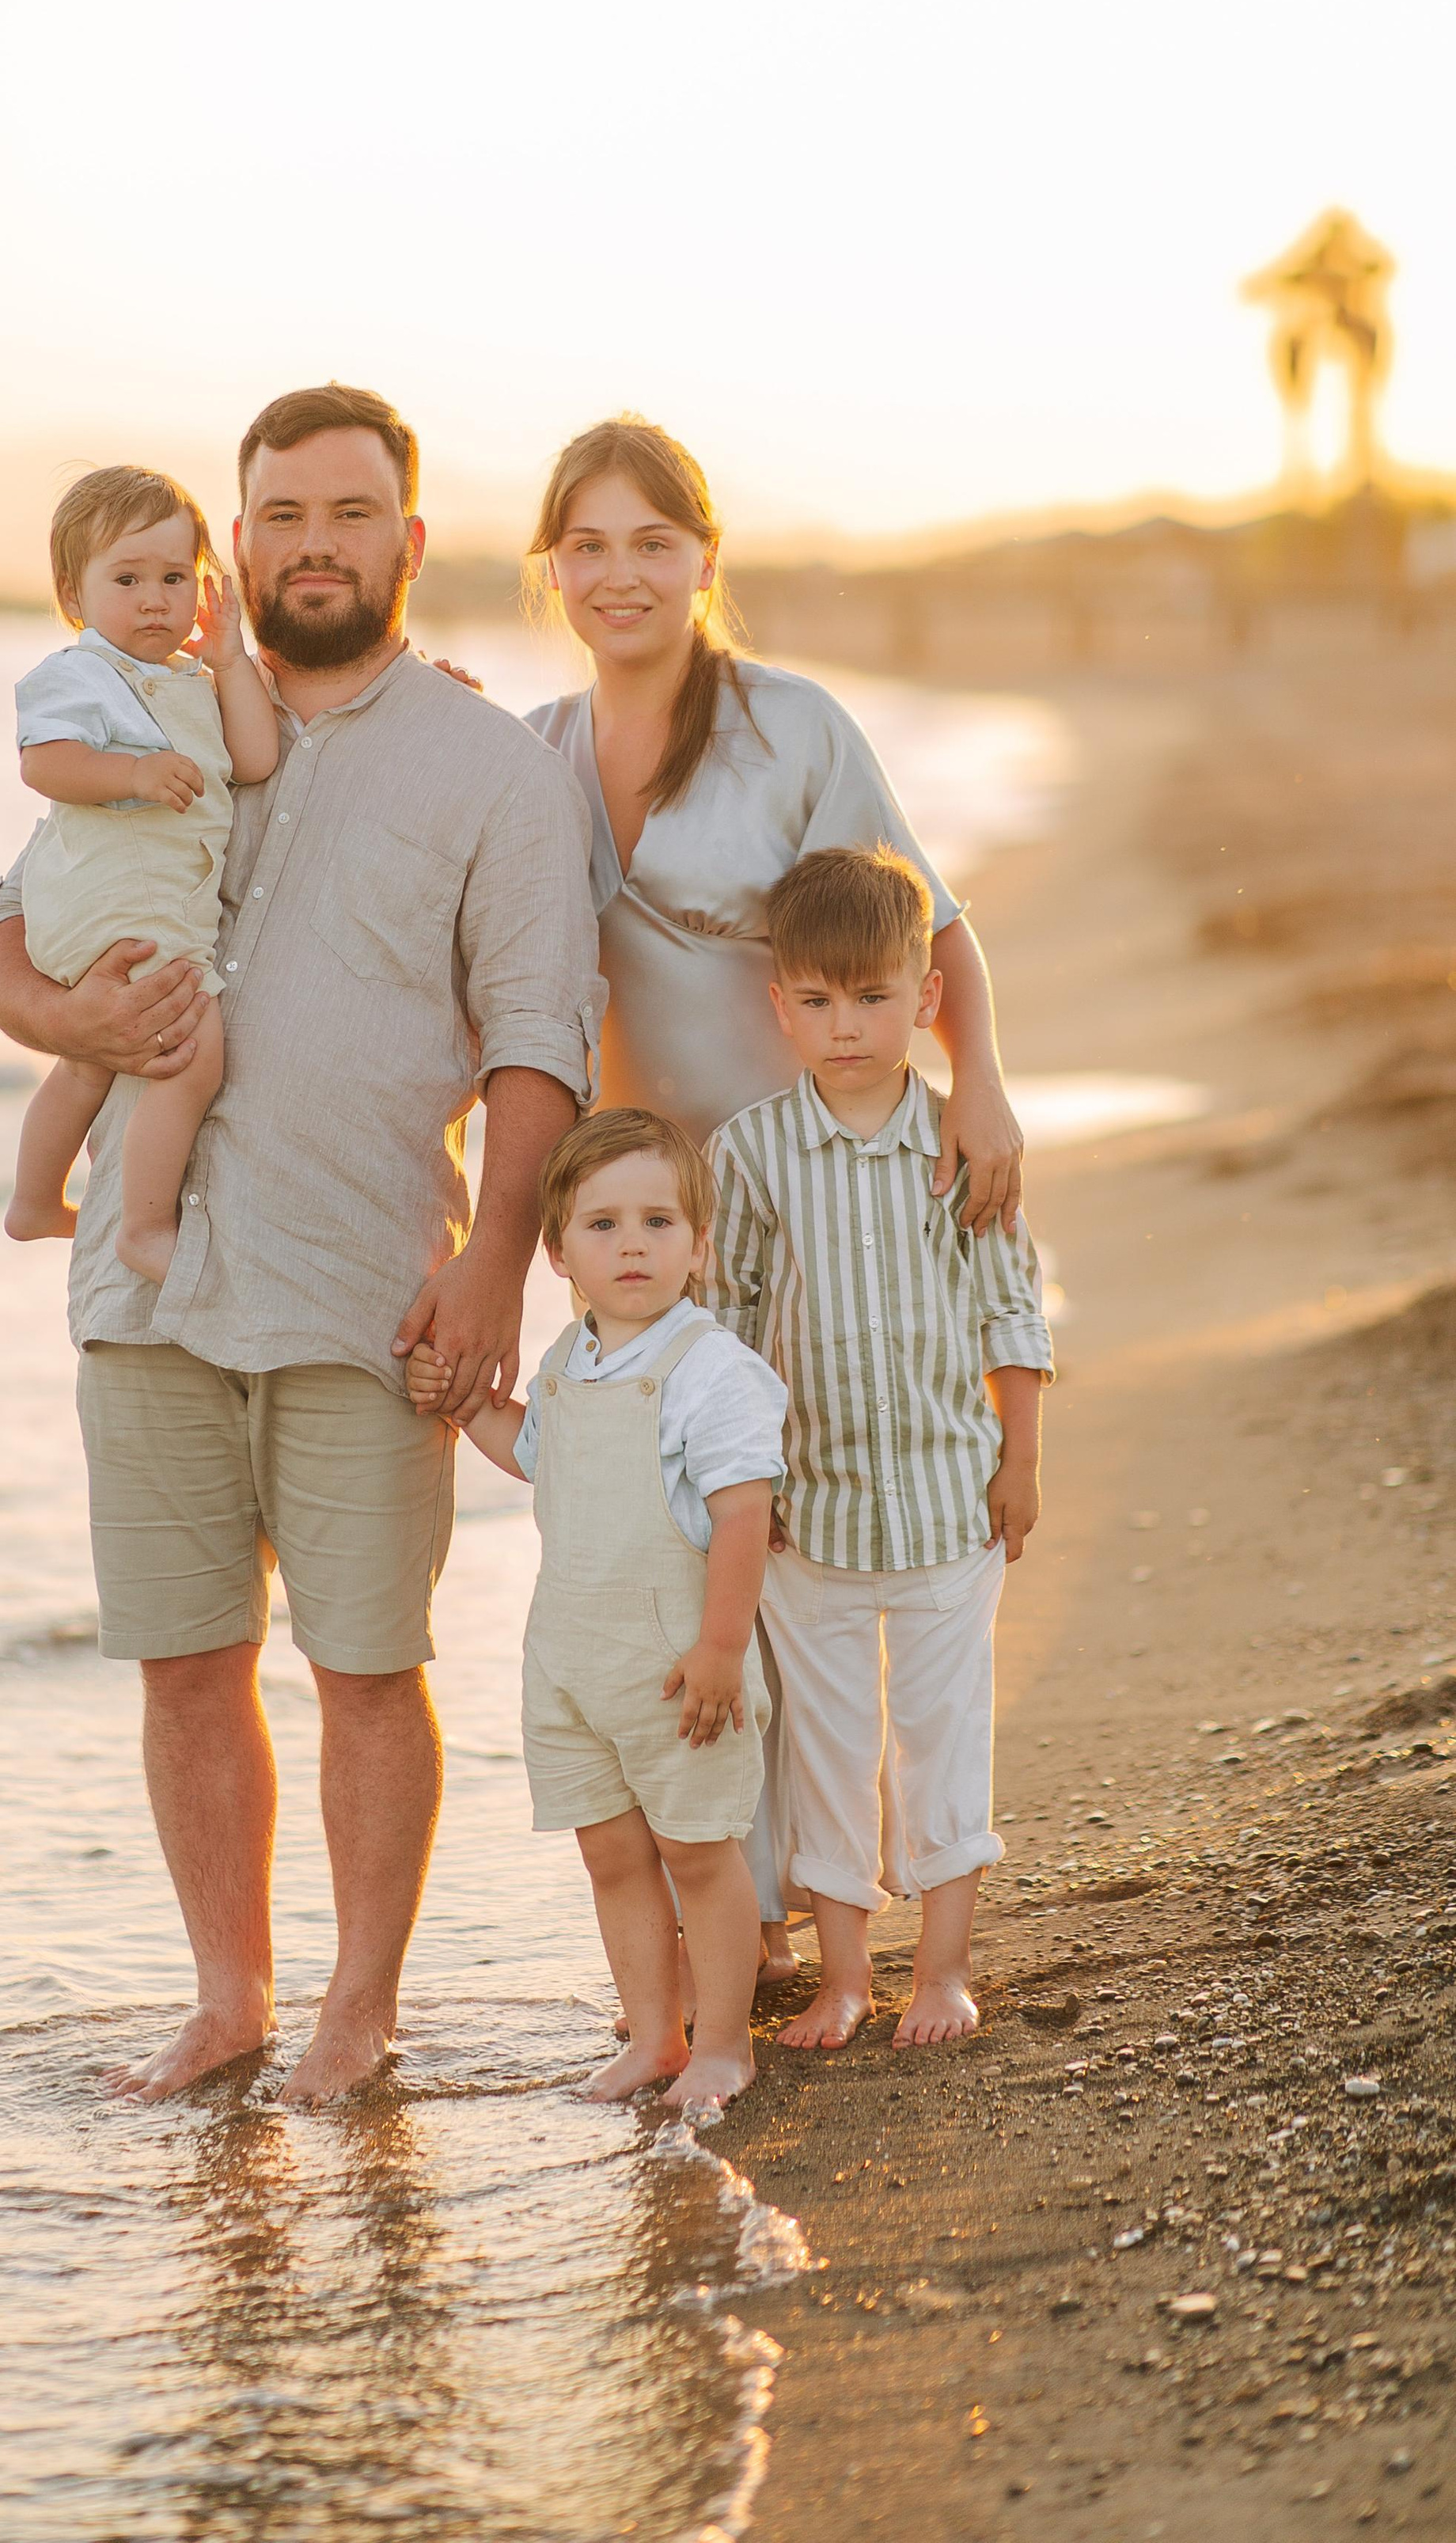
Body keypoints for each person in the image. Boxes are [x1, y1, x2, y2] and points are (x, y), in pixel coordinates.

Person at [0, 381, 602, 2105]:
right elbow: (0, 916)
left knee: (368, 1667)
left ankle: (359, 2006)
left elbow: (542, 1040)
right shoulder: (146, 701)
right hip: (145, 1282)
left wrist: (493, 1276)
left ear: (407, 537)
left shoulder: (487, 766)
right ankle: (229, 1995)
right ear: (235, 544)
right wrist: (38, 1006)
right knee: (181, 1661)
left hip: (365, 1279)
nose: (315, 545)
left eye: (349, 514)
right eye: (282, 518)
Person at [523, 412, 1027, 1984]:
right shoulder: (529, 753)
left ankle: (827, 1918)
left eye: (650, 544)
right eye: (586, 546)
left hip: (810, 1207)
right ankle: (720, 1905)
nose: (619, 576)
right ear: (549, 568)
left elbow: (924, 929)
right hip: (640, 1234)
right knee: (676, 1552)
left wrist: (986, 1081)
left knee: (790, 1548)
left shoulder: (788, 728)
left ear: (702, 559)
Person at [707, 845, 1052, 2047]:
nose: (844, 1027)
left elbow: (1010, 1304)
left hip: (952, 1498)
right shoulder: (748, 1154)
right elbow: (733, 1334)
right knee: (829, 1745)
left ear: (926, 998)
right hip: (814, 1518)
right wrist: (742, 1493)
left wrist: (1022, 1456)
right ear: (779, 1006)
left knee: (948, 1730)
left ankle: (945, 1967)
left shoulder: (964, 1144)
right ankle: (848, 1978)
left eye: (871, 998)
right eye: (816, 1001)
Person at [408, 1110, 787, 2110]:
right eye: (604, 1224)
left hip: (677, 1666)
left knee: (697, 1856)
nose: (632, 1244)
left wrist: (720, 1648)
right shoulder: (570, 1359)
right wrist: (462, 1402)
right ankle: (654, 2038)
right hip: (572, 1663)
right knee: (613, 1855)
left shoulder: (713, 1372)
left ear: (699, 1246)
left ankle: (722, 2046)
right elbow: (535, 1453)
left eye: (660, 1223)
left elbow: (744, 1517)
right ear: (559, 1252)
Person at [5, 465, 280, 1273]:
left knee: (91, 1058)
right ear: (73, 593)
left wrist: (231, 660)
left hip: (143, 912)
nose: (155, 599)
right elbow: (43, 764)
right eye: (127, 579)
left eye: (174, 577)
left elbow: (256, 760)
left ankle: (33, 1200)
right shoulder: (81, 674)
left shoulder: (196, 680)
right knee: (192, 1049)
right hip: (110, 906)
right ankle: (142, 1224)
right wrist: (130, 775)